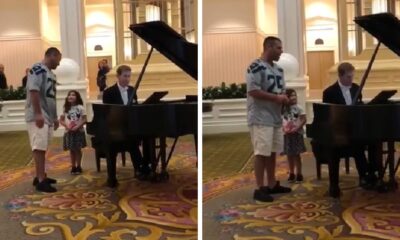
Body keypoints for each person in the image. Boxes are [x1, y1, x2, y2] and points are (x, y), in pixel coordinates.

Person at [246, 36, 292, 202]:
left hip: (275, 117)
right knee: (261, 153)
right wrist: (276, 98)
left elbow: (282, 92)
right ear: (269, 47)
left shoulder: (279, 70)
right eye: (279, 48)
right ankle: (259, 188)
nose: (281, 51)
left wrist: (287, 100)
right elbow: (253, 91)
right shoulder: (255, 67)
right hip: (260, 117)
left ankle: (272, 184)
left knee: (272, 152)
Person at [322, 62, 376, 195]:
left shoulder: (356, 88)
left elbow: (359, 108)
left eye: (352, 76)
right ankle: (336, 185)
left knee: (375, 142)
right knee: (356, 146)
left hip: (355, 129)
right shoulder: (329, 92)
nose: (351, 80)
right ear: (340, 76)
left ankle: (371, 174)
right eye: (348, 77)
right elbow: (327, 115)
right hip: (338, 131)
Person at [102, 64, 149, 187]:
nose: (127, 79)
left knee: (144, 138)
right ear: (118, 76)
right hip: (115, 128)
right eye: (125, 76)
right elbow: (107, 112)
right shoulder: (109, 92)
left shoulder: (132, 90)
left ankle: (142, 168)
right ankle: (113, 177)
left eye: (129, 76)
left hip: (130, 127)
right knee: (131, 143)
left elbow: (135, 107)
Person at [25, 47, 62, 193]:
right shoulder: (37, 68)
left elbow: (51, 98)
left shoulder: (51, 74)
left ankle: (41, 175)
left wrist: (54, 117)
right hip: (38, 116)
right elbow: (33, 90)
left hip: (47, 115)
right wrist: (38, 114)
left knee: (43, 147)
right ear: (51, 56)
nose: (58, 64)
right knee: (39, 147)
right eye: (58, 60)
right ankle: (41, 181)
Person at [59, 90, 87, 175]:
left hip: (78, 131)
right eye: (69, 95)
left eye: (73, 95)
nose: (71, 96)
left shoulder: (81, 108)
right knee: (71, 150)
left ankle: (79, 166)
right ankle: (73, 166)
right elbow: (61, 120)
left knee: (78, 149)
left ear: (77, 97)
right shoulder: (65, 108)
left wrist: (77, 127)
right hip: (69, 132)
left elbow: (85, 119)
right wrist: (67, 126)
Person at [282, 88, 306, 183]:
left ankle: (299, 173)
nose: (294, 97)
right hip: (287, 135)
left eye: (294, 95)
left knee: (296, 155)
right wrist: (284, 128)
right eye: (291, 95)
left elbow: (304, 119)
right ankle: (291, 173)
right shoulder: (283, 109)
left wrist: (297, 127)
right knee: (289, 155)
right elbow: (282, 119)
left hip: (296, 134)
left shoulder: (299, 108)